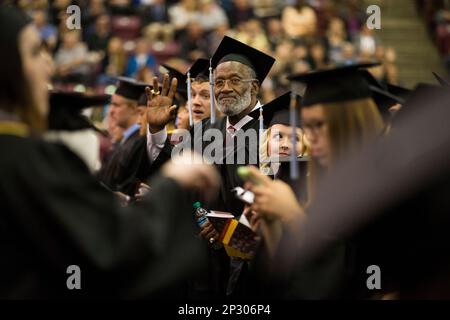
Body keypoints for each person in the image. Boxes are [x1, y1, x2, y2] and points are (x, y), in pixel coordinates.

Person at [0, 4, 219, 299]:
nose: (48, 66)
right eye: (34, 52)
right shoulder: (22, 159)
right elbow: (112, 250)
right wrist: (173, 184)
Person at [243, 63, 386, 299]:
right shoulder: (316, 186)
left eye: (319, 125)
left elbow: (350, 278)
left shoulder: (386, 186)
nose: (311, 138)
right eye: (307, 127)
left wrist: (292, 216)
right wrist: (272, 225)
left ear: (350, 124)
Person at [98, 77, 149, 196]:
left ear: (134, 109)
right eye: (111, 105)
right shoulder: (125, 141)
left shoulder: (138, 142)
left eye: (116, 105)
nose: (110, 111)